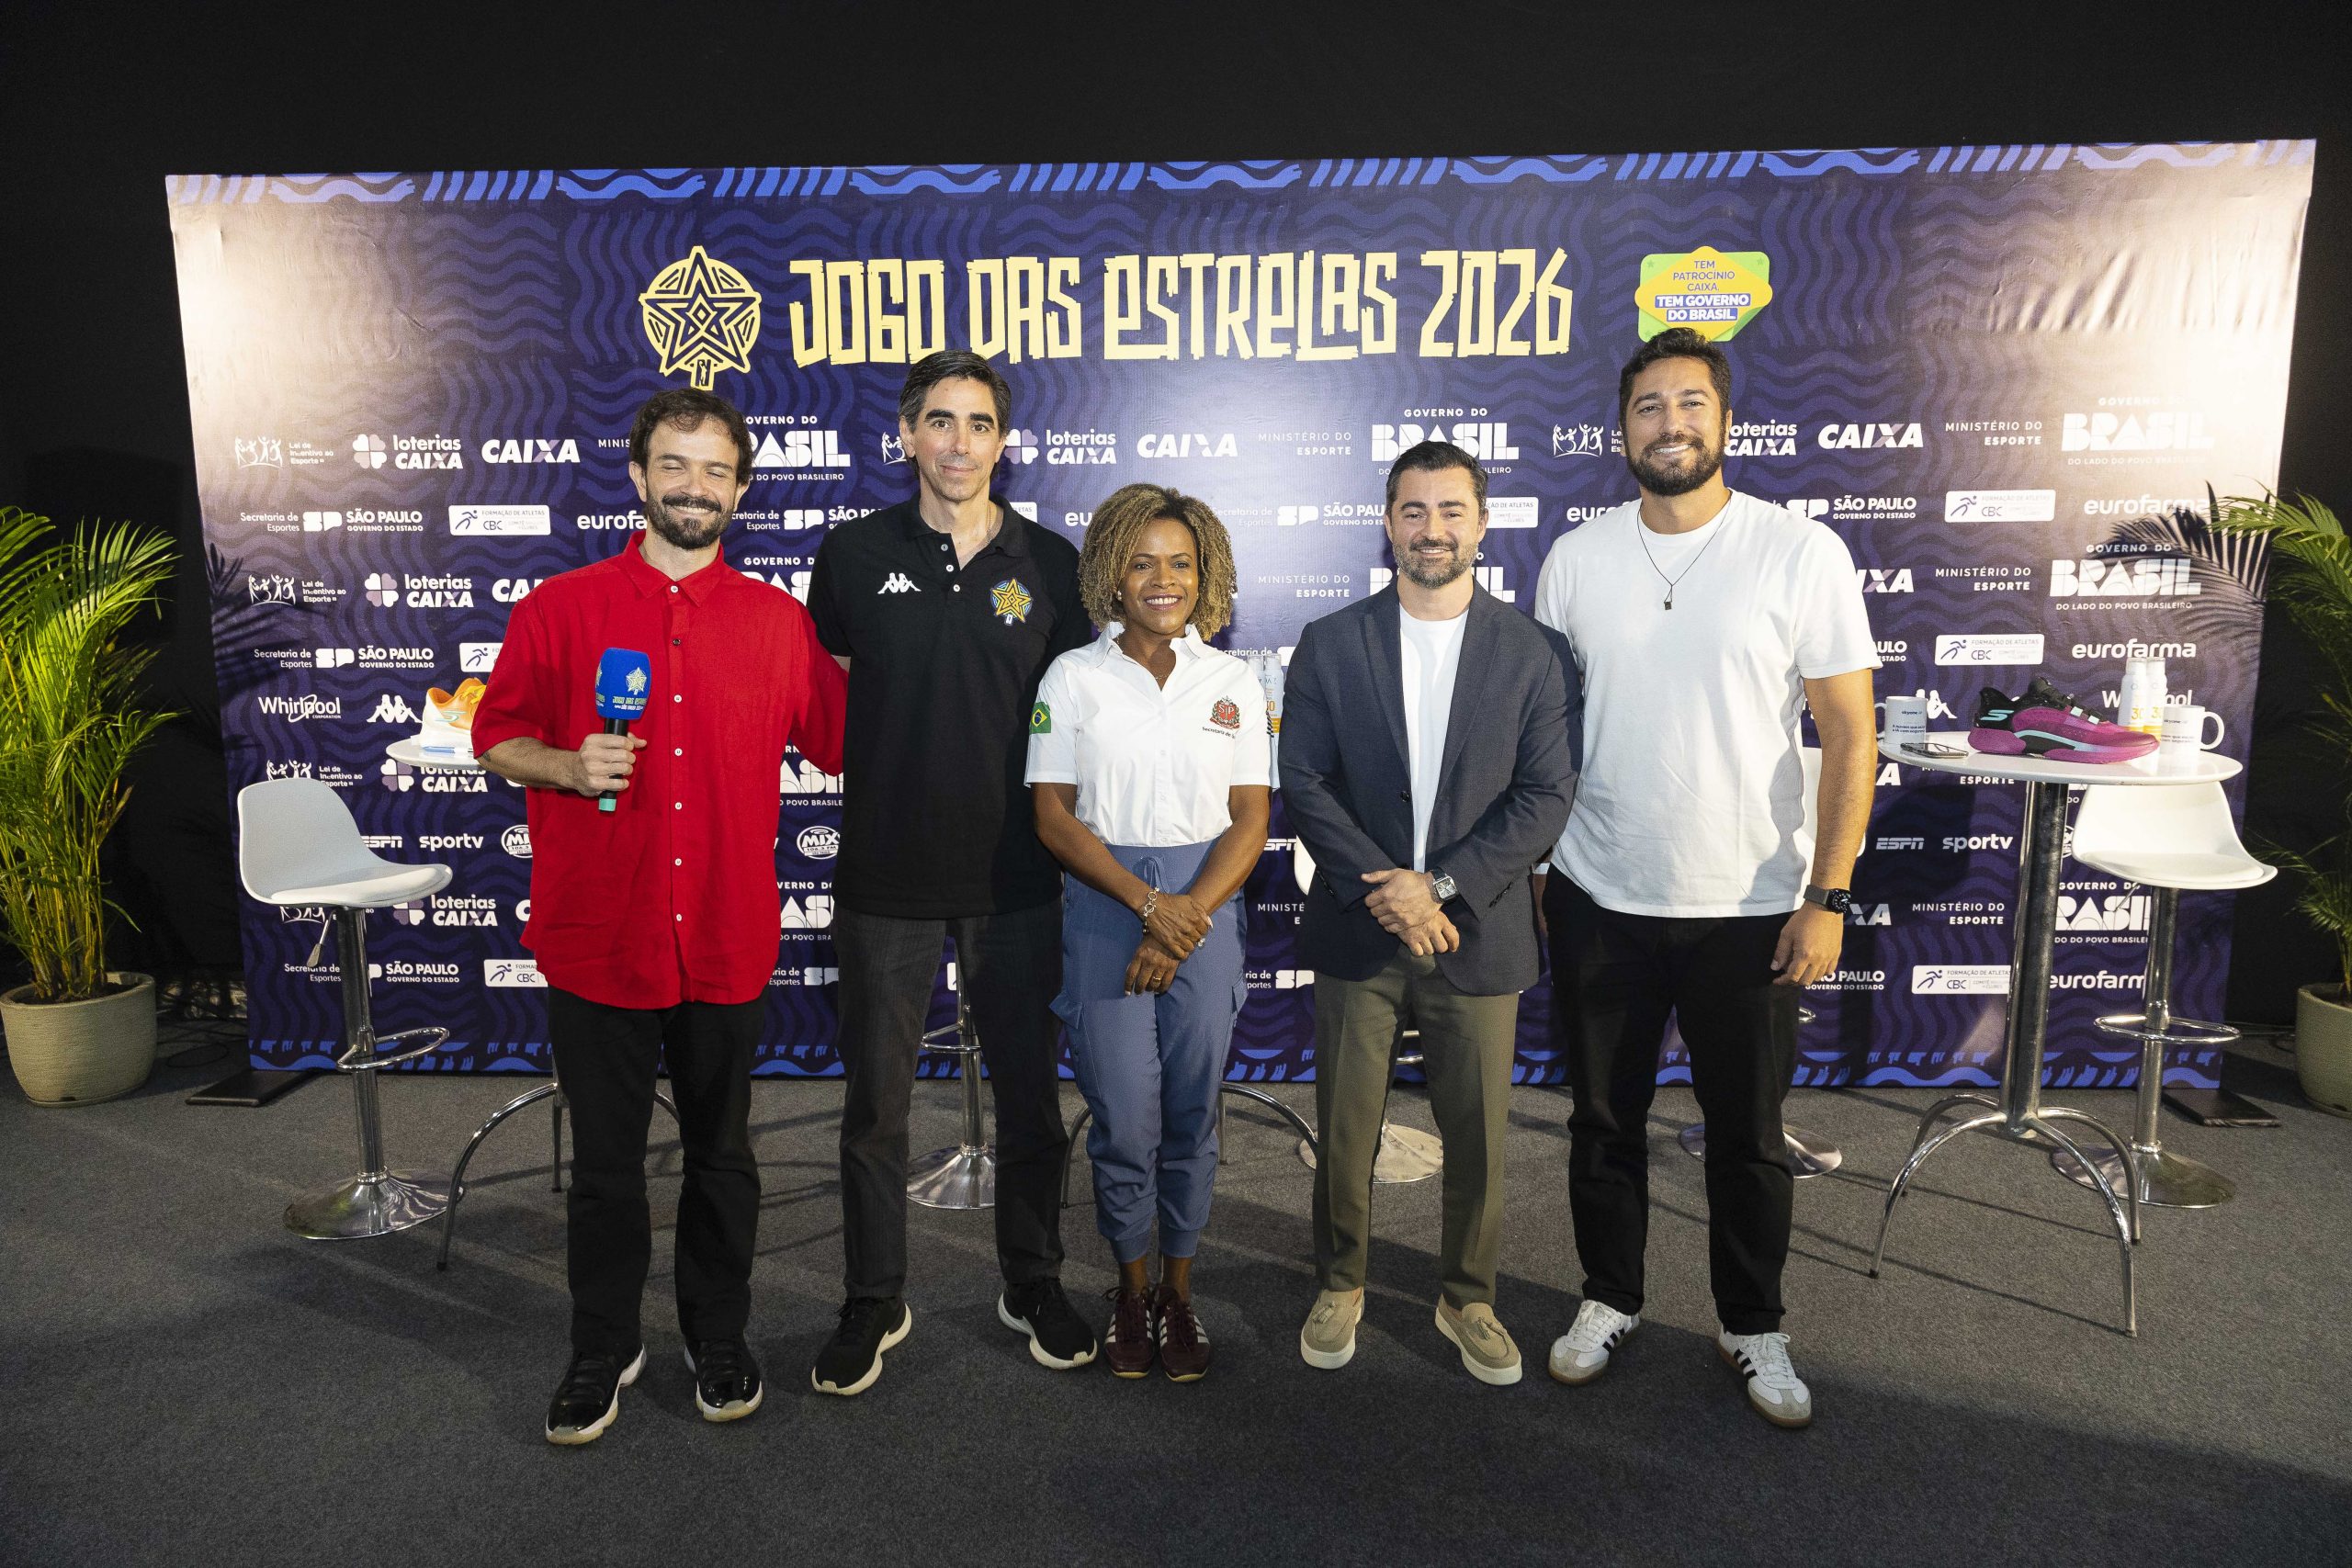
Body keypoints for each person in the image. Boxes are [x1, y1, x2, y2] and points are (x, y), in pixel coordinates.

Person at [472, 387, 847, 1445]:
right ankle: (602, 1346)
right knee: (603, 1167)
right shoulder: (559, 610)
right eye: (674, 465)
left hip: (725, 934)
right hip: (600, 935)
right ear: (638, 476)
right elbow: (496, 738)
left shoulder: (777, 624)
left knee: (724, 1158)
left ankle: (716, 1335)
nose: (694, 486)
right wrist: (564, 763)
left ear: (741, 489)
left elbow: (847, 739)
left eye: (716, 469)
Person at [1533, 326, 1877, 1429]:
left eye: (1690, 403)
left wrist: (1826, 897)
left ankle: (1751, 1322)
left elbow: (1849, 733)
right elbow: (1546, 732)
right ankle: (1608, 1298)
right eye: (1648, 406)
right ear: (1620, 430)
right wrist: (1540, 862)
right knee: (1602, 1122)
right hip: (1598, 893)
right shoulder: (1575, 559)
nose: (1669, 423)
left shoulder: (1798, 551)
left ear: (1725, 422)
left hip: (1752, 906)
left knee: (1747, 1134)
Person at [805, 350, 1097, 1393]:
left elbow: (1076, 718)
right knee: (875, 1110)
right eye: (940, 421)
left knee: (1030, 1103)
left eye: (978, 424)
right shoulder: (850, 553)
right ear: (906, 434)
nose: (959, 442)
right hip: (885, 875)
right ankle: (872, 1297)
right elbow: (830, 697)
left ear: (1002, 442)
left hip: (1017, 876)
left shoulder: (1051, 563)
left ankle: (1033, 1280)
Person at [1280, 440, 1577, 1386]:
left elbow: (1545, 795)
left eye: (1451, 510)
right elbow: (1305, 780)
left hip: (1475, 930)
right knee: (1345, 1128)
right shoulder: (1333, 641)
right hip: (1359, 927)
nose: (1432, 528)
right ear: (1388, 523)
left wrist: (1437, 886)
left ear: (1481, 524)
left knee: (1479, 1137)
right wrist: (1392, 889)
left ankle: (1468, 1296)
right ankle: (1340, 1281)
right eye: (1413, 510)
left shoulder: (1534, 652)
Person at [1025, 483, 1270, 1382]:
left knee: (1192, 1115)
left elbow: (1251, 818)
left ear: (1205, 575)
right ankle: (1130, 1291)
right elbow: (1053, 816)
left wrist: (1181, 917)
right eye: (1141, 562)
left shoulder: (1232, 681)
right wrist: (1145, 906)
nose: (1162, 579)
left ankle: (1179, 1292)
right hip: (1106, 908)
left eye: (1180, 563)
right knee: (1126, 1117)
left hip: (1206, 909)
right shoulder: (1072, 678)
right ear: (1111, 574)